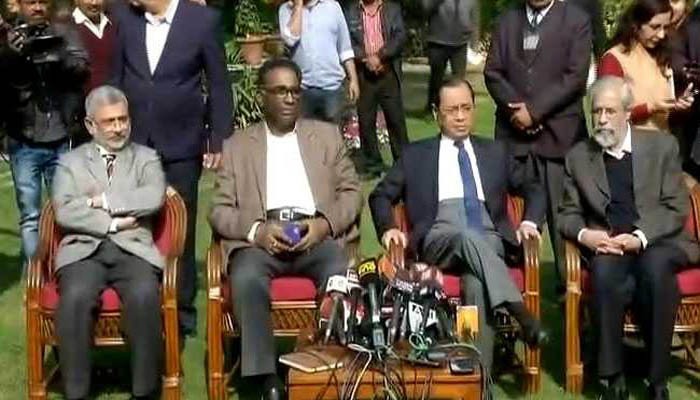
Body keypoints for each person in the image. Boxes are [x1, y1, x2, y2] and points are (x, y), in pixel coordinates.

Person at [369, 78, 547, 375]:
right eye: (452, 110)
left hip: (489, 237)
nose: (461, 117)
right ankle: (521, 313)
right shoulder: (416, 155)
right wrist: (388, 227)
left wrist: (529, 222)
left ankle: (477, 381)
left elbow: (534, 187)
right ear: (437, 113)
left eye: (466, 108)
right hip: (440, 237)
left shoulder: (495, 152)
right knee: (466, 236)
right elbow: (380, 195)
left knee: (475, 283)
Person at [209, 58, 362, 400]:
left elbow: (352, 193)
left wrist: (324, 225)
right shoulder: (238, 146)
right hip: (262, 241)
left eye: (295, 91)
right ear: (261, 96)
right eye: (280, 91)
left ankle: (333, 364)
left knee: (339, 270)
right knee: (246, 277)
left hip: (314, 235)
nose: (290, 98)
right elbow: (218, 210)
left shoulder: (325, 137)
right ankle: (265, 379)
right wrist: (256, 231)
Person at [559, 77, 700, 400]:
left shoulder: (662, 147)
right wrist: (587, 235)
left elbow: (676, 206)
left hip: (660, 240)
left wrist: (640, 237)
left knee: (655, 269)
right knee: (604, 272)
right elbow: (567, 214)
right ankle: (613, 377)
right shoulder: (579, 157)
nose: (602, 119)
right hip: (610, 244)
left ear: (627, 113)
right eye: (597, 112)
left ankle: (657, 379)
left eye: (610, 111)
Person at [111, 0, 233, 338]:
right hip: (132, 145)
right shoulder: (126, 21)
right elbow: (115, 79)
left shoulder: (202, 20)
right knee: (134, 226)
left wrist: (218, 138)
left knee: (180, 229)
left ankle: (181, 312)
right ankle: (140, 306)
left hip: (182, 143)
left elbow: (219, 83)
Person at [52, 85, 167, 400]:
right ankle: (76, 392)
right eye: (109, 121)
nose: (118, 128)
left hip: (133, 249)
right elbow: (65, 210)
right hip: (84, 250)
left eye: (123, 119)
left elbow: (152, 197)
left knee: (143, 295)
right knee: (75, 298)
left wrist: (100, 200)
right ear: (91, 125)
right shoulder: (70, 163)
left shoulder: (146, 158)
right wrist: (112, 222)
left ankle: (145, 391)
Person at [483, 0, 592, 294]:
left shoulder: (577, 20)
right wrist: (516, 111)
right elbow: (493, 72)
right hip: (513, 139)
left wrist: (535, 111)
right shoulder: (507, 20)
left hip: (560, 139)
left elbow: (575, 78)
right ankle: (508, 296)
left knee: (563, 223)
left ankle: (570, 296)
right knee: (510, 221)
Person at [0, 0, 88, 269]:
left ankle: (65, 269)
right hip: (24, 137)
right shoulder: (9, 38)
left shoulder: (65, 32)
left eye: (42, 2)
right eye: (31, 2)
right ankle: (35, 276)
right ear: (20, 6)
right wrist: (12, 56)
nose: (37, 8)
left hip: (60, 135)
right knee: (30, 215)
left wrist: (60, 58)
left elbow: (82, 69)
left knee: (65, 210)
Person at [598, 0, 695, 134]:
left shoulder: (660, 56)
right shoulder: (614, 59)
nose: (661, 35)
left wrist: (677, 106)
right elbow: (608, 115)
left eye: (665, 27)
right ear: (636, 25)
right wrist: (649, 108)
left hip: (662, 141)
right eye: (655, 27)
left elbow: (665, 116)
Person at [344, 0, 408, 177]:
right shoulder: (351, 11)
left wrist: (380, 56)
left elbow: (400, 36)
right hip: (364, 74)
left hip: (388, 72)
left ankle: (403, 162)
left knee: (396, 120)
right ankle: (373, 165)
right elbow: (347, 41)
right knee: (366, 122)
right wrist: (367, 59)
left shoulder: (392, 8)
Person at [278, 0, 360, 123]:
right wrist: (298, 6)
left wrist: (353, 79)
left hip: (332, 89)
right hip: (302, 89)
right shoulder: (286, 10)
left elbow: (345, 48)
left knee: (332, 133)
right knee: (305, 133)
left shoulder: (333, 7)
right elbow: (290, 39)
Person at [420, 0, 479, 111]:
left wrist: (474, 42)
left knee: (459, 79)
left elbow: (474, 17)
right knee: (437, 78)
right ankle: (433, 107)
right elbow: (425, 8)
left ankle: (457, 106)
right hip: (438, 40)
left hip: (461, 42)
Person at [73, 0, 115, 93]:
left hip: (116, 98)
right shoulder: (66, 27)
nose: (94, 3)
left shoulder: (115, 24)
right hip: (83, 99)